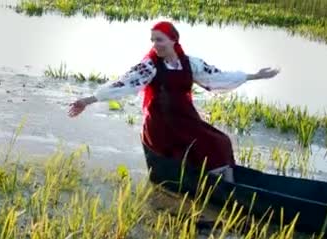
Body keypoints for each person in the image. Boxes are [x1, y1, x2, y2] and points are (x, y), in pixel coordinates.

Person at [68, 21, 279, 182]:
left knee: (220, 142)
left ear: (173, 40)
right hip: (161, 122)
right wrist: (87, 100)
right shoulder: (149, 66)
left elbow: (218, 77)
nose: (155, 45)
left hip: (185, 117)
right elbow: (123, 84)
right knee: (193, 149)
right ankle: (212, 187)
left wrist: (256, 75)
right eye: (152, 40)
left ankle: (227, 188)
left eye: (159, 39)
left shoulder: (190, 63)